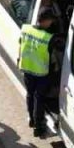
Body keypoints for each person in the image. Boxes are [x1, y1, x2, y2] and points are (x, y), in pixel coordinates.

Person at [19, 9, 57, 138]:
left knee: (30, 95)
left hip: (27, 68)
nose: (51, 23)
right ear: (45, 20)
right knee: (39, 99)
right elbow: (53, 56)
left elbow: (21, 44)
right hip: (41, 73)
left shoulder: (26, 29)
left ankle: (31, 119)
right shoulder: (48, 38)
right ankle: (38, 126)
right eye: (50, 20)